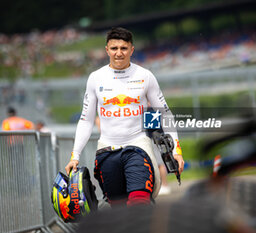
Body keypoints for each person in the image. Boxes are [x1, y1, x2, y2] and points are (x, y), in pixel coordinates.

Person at [65, 27, 184, 206]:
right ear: (107, 50)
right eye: (114, 48)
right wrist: (75, 156)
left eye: (123, 48)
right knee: (119, 208)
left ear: (131, 50)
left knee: (139, 202)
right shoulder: (95, 78)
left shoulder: (145, 76)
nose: (119, 53)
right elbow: (86, 120)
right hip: (107, 149)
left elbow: (165, 114)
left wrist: (176, 150)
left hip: (138, 147)